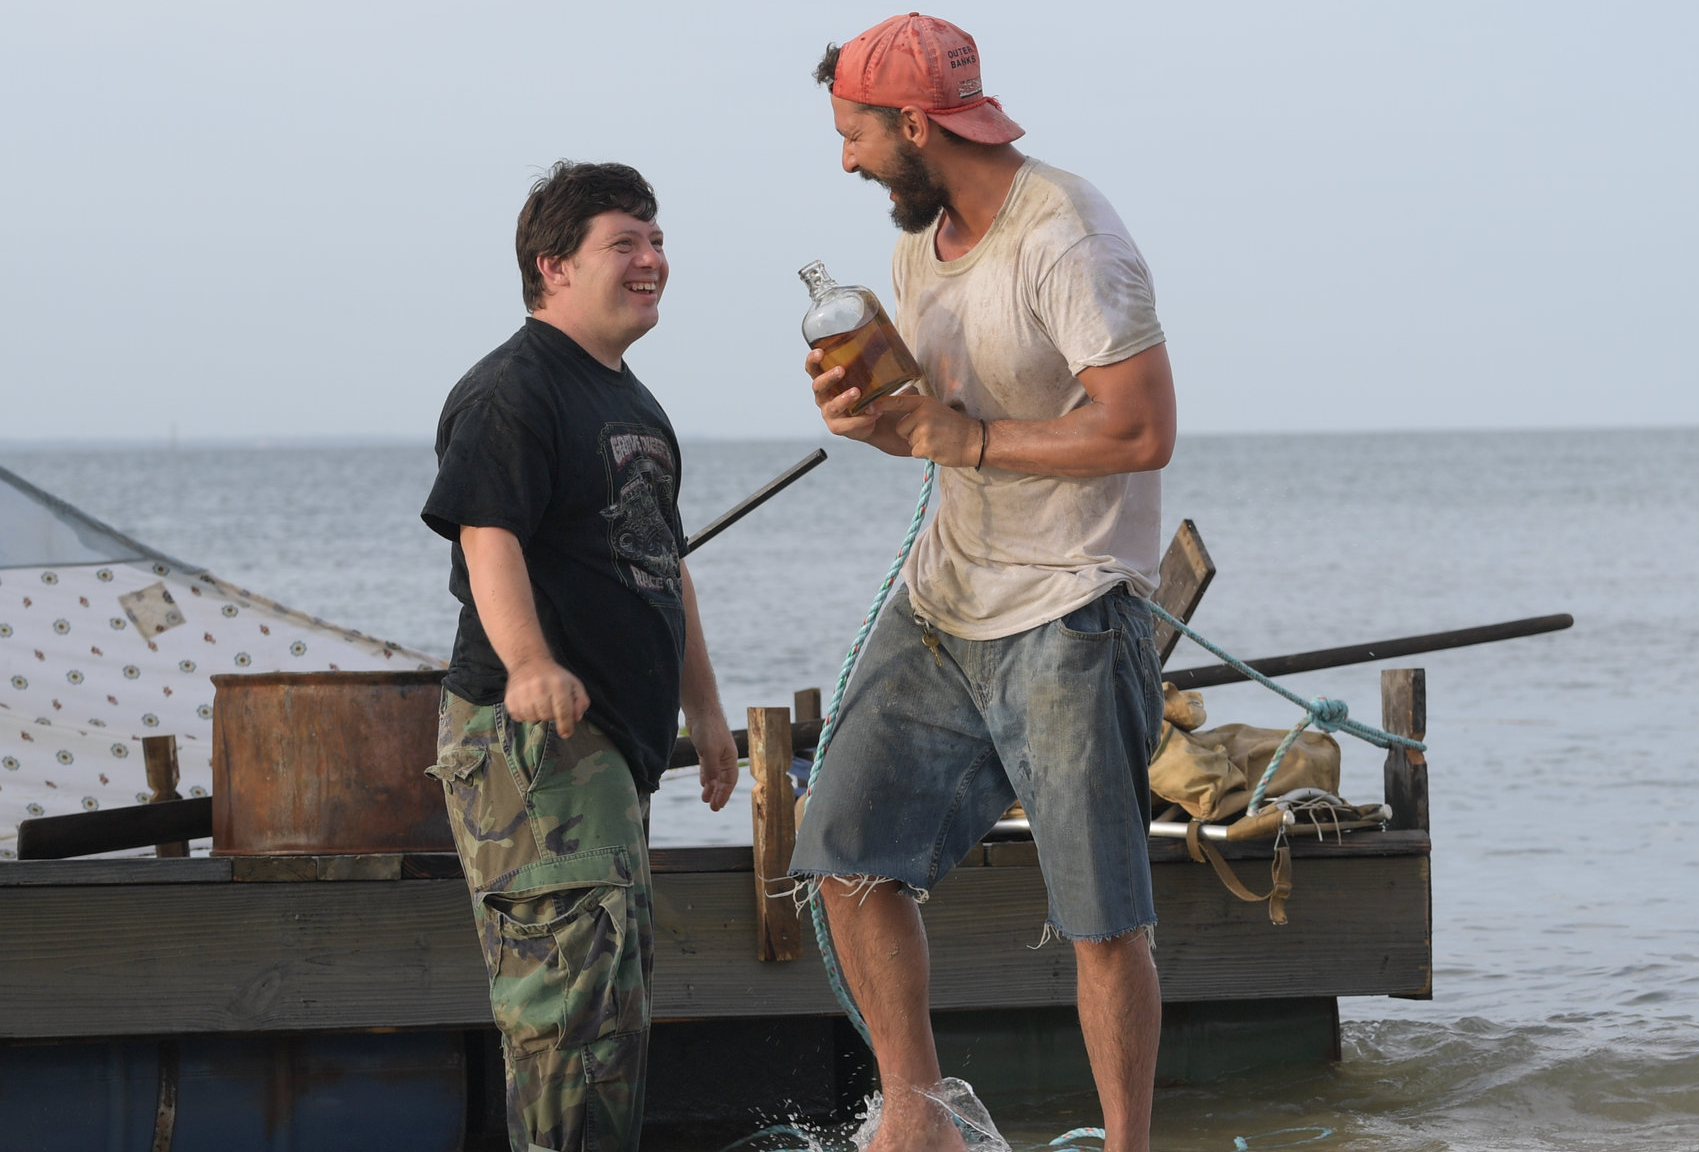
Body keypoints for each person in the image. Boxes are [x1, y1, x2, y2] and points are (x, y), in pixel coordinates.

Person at [788, 15, 1177, 1152]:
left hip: (1068, 603)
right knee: (844, 850)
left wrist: (964, 444)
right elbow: (931, 427)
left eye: (854, 135)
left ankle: (1127, 1147)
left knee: (1103, 922)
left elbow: (1140, 428)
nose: (845, 161)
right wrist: (877, 426)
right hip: (944, 594)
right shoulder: (917, 251)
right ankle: (920, 1119)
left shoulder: (1067, 236)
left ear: (914, 124)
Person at [420, 161, 739, 1152]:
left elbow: (663, 567)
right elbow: (487, 538)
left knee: (610, 1006)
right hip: (534, 751)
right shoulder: (513, 392)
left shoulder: (632, 402)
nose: (652, 261)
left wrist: (708, 713)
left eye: (655, 240)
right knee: (567, 1018)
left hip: (609, 753)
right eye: (625, 244)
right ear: (553, 267)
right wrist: (527, 664)